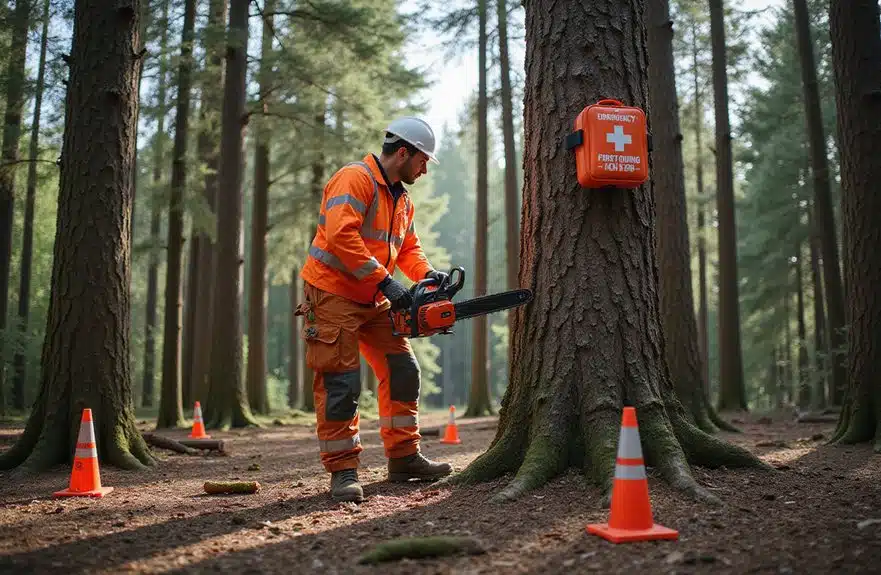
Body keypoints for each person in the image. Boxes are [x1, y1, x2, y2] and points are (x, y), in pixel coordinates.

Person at [298, 117, 454, 503]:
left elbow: (408, 248)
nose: (423, 168)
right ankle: (343, 470)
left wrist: (427, 275)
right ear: (404, 152)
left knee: (403, 369)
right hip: (333, 294)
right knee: (342, 383)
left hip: (373, 297)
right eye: (422, 160)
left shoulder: (402, 198)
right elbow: (341, 236)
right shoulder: (356, 179)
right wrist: (386, 281)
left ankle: (403, 457)